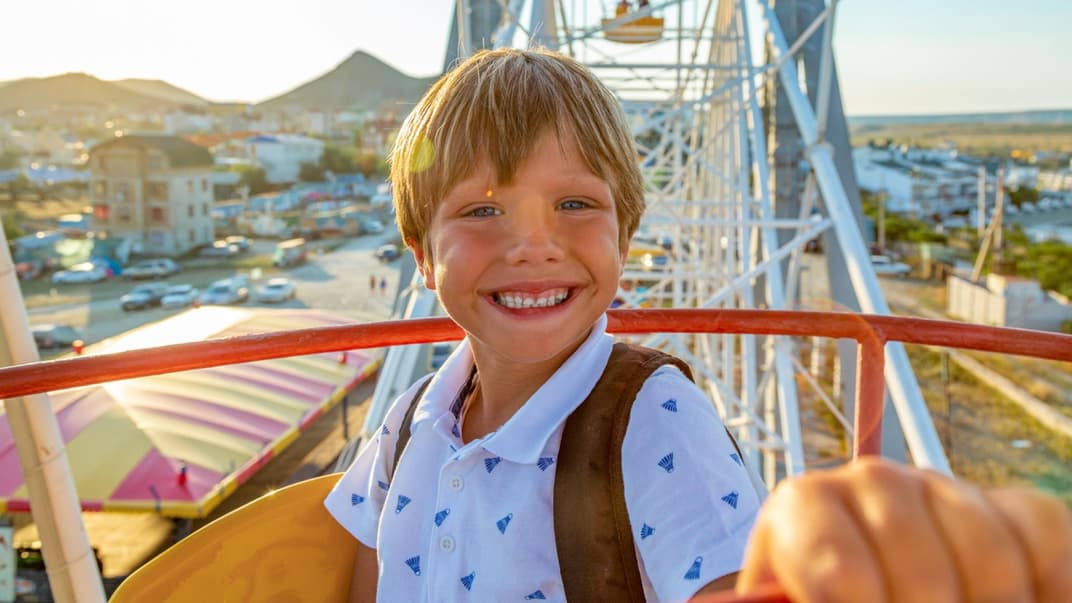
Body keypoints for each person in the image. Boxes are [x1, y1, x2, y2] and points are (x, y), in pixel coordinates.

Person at [325, 47, 1072, 602]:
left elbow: (729, 581)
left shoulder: (653, 419)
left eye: (576, 204)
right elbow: (373, 574)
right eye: (483, 210)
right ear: (422, 257)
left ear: (625, 235)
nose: (534, 245)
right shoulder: (408, 421)